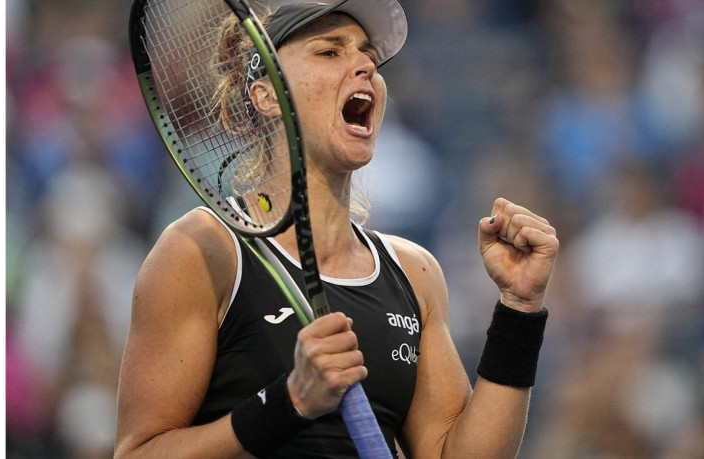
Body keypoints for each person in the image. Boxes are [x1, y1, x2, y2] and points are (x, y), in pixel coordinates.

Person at [115, 1, 559, 458]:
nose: (365, 65)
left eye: (369, 55)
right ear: (266, 94)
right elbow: (138, 453)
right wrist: (287, 404)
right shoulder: (203, 249)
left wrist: (520, 310)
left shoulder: (414, 272)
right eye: (329, 52)